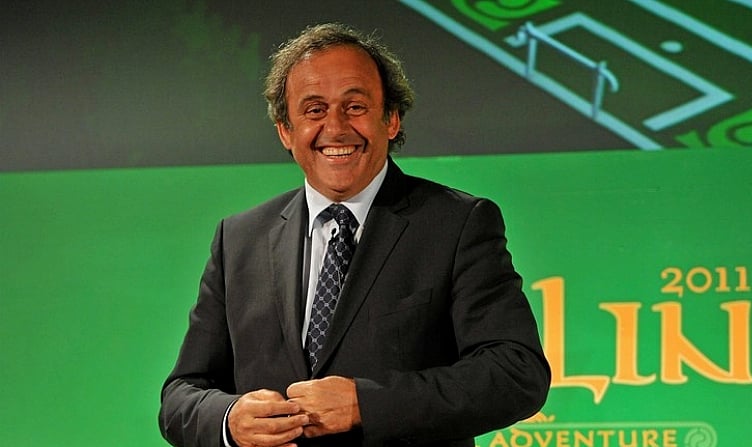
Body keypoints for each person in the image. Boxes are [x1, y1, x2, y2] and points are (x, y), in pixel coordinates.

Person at [159, 22, 550, 447]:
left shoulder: (457, 224)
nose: (336, 127)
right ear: (286, 132)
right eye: (313, 110)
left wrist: (366, 404)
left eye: (356, 106)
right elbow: (181, 396)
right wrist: (229, 420)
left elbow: (516, 372)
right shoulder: (239, 239)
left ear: (392, 119)